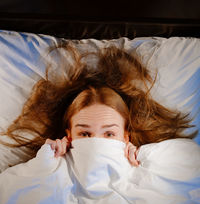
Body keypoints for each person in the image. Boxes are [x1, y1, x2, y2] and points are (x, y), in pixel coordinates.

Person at [0, 43, 196, 165]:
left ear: (126, 135)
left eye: (110, 134)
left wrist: (146, 163)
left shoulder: (148, 161)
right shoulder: (50, 163)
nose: (96, 143)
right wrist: (44, 166)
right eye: (84, 134)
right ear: (69, 135)